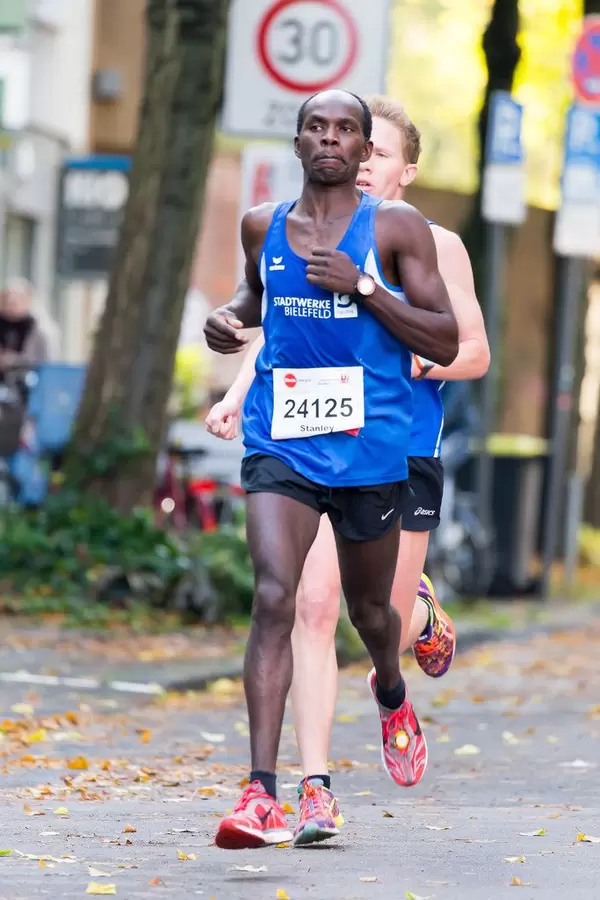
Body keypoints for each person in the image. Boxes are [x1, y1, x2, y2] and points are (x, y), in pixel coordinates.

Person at [205, 96, 489, 846]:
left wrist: (368, 295)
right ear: (301, 142)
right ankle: (282, 790)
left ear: (381, 158)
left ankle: (395, 677)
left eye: (360, 142)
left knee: (373, 618)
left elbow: (460, 342)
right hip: (288, 443)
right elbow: (267, 312)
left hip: (381, 450)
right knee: (290, 599)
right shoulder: (268, 226)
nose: (343, 151)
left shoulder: (411, 234)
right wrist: (232, 350)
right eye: (322, 133)